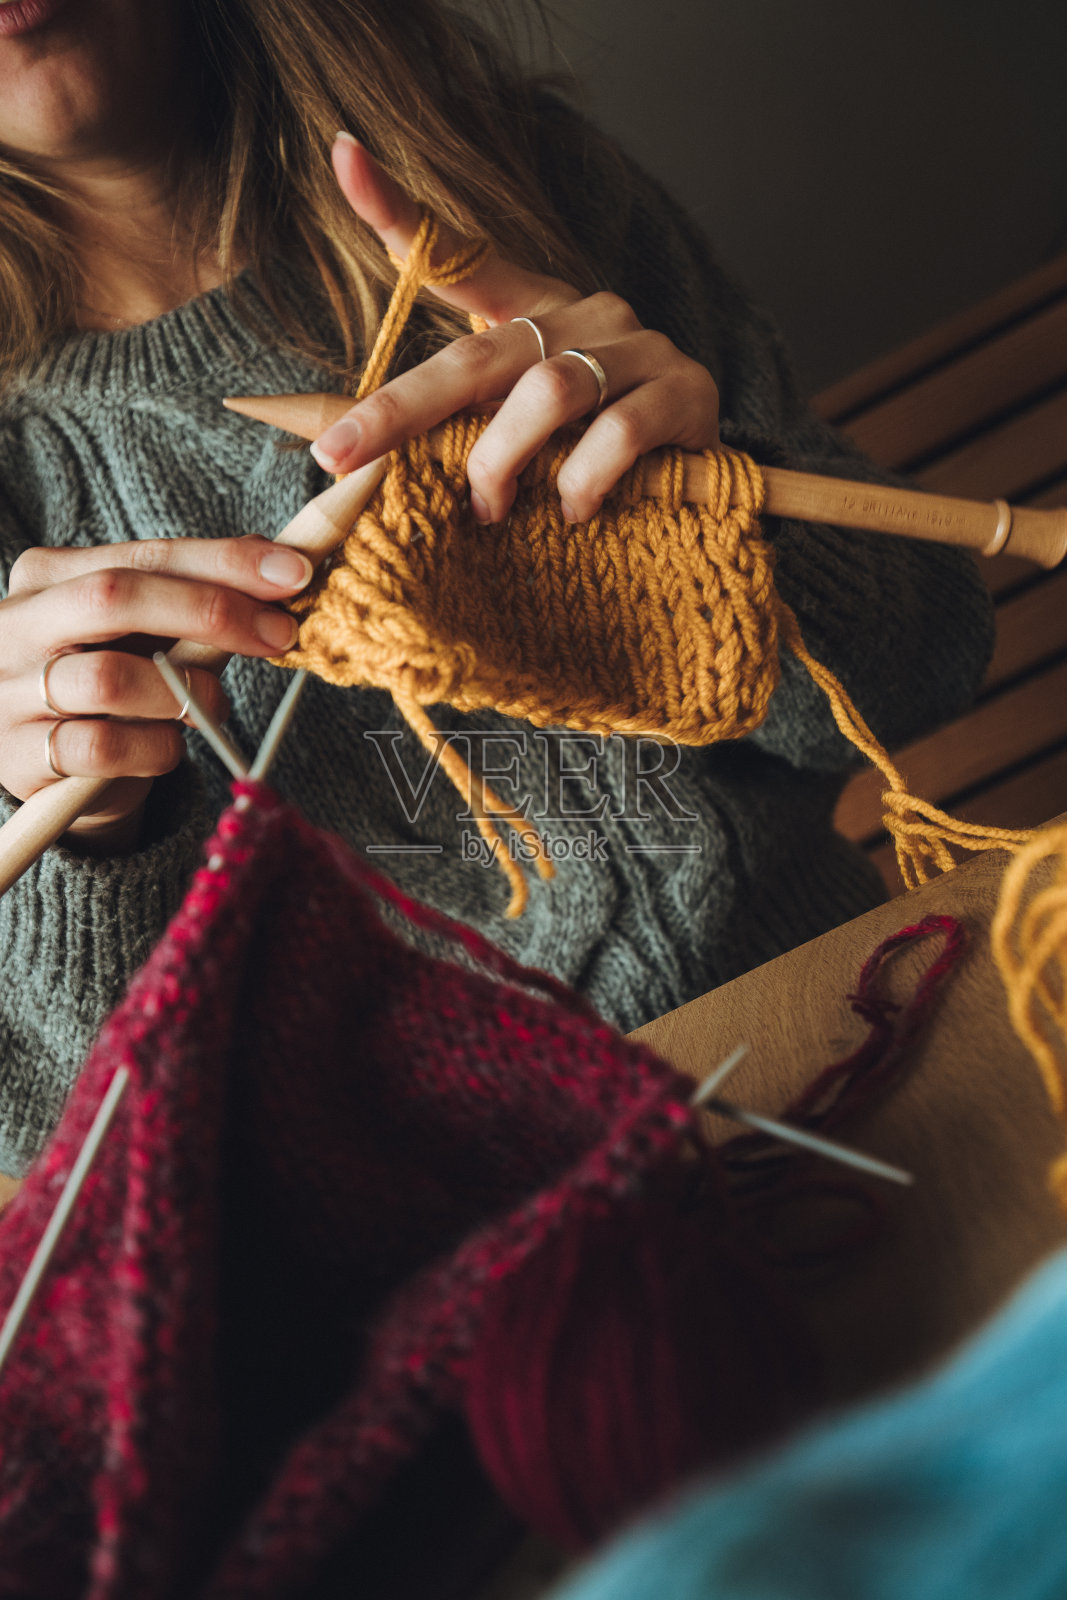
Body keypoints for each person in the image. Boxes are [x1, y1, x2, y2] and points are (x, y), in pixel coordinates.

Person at [0, 0, 993, 1178]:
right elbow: (70, 1156)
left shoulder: (514, 184)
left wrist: (721, 526)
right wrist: (85, 835)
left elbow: (926, 667)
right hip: (456, 1244)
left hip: (847, 1039)